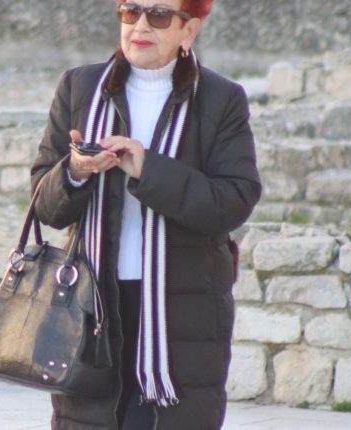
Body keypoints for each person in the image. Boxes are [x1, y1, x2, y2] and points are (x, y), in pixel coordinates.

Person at [30, 0, 262, 428]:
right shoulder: (79, 88)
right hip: (90, 305)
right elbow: (45, 206)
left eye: (158, 15)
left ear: (189, 30)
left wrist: (148, 170)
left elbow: (234, 201)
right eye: (130, 10)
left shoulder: (222, 99)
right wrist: (75, 172)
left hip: (183, 312)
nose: (140, 25)